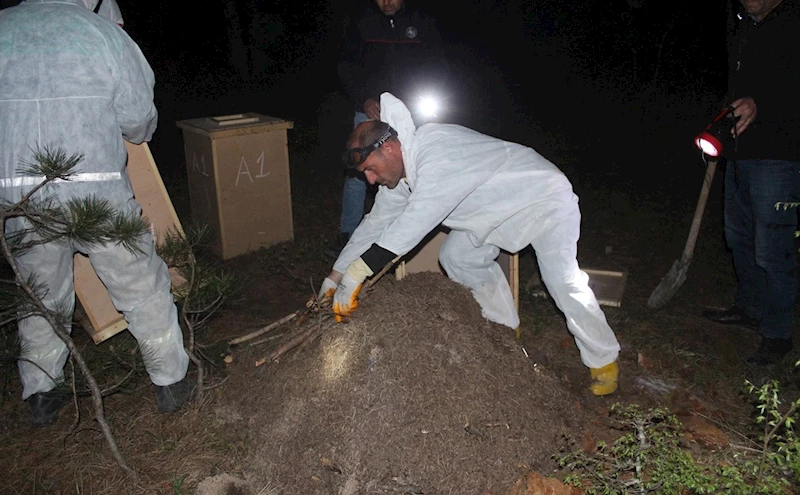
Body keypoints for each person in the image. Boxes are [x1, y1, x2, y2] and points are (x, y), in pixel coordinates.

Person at [319, 93, 621, 396]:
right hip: (492, 214)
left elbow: (414, 224)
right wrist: (336, 275)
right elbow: (375, 225)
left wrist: (359, 271)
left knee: (562, 281)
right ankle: (505, 331)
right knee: (457, 256)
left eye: (371, 169)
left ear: (389, 148)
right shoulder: (402, 177)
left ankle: (604, 361)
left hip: (541, 198)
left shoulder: (435, 150)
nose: (370, 180)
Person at [0, 0, 193, 426]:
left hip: (18, 194)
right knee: (140, 284)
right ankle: (171, 382)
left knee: (39, 296)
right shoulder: (102, 34)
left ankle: (41, 396)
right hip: (96, 187)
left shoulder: (4, 27)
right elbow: (140, 121)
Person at [702, 0, 800, 365]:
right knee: (738, 235)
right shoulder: (744, 26)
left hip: (781, 154)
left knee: (772, 249)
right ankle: (749, 308)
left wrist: (764, 104)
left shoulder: (792, 23)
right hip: (741, 150)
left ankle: (777, 334)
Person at [327, 0, 445, 258]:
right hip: (372, 108)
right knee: (359, 169)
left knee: (418, 165)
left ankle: (417, 232)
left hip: (413, 108)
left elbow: (435, 64)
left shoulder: (422, 20)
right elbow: (347, 67)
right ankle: (348, 234)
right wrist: (364, 99)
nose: (387, 2)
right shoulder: (362, 22)